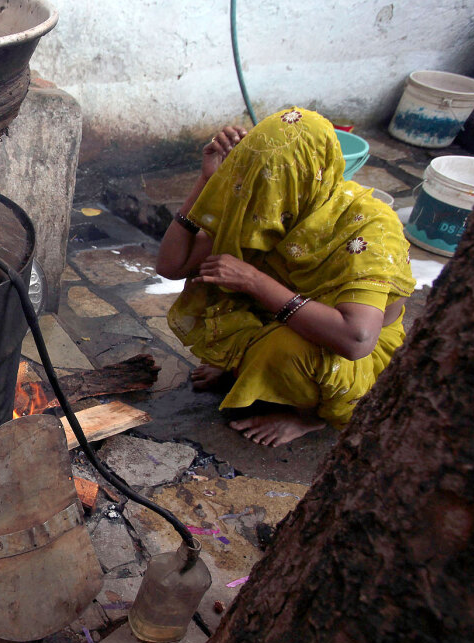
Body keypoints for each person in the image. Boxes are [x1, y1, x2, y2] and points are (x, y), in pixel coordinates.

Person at [156, 107, 415, 447]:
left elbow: (357, 339)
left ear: (304, 180)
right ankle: (241, 366)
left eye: (266, 184)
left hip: (356, 354)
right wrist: (206, 181)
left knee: (285, 346)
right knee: (216, 273)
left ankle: (309, 417)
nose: (253, 197)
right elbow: (172, 266)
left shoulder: (371, 226)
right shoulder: (269, 206)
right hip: (296, 315)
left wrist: (254, 281)